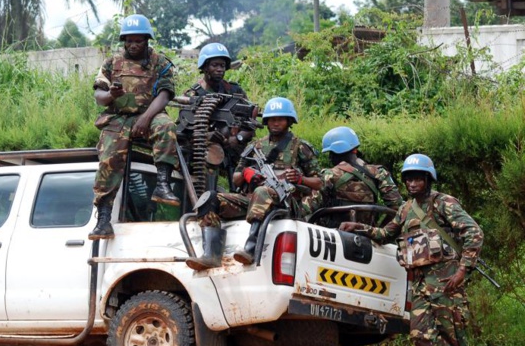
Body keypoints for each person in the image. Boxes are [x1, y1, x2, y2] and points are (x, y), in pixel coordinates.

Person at [340, 154, 490, 346]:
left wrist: (464, 269)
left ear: (428, 179)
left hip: (447, 282)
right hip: (420, 283)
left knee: (452, 335)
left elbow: (474, 232)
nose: (412, 184)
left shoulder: (444, 203)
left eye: (418, 179)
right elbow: (386, 233)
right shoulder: (406, 209)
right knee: (421, 336)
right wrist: (360, 228)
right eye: (408, 179)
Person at [186, 96, 321, 269]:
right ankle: (211, 254)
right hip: (252, 200)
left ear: (289, 121)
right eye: (272, 119)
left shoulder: (300, 147)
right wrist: (247, 174)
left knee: (262, 192)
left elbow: (319, 183)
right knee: (210, 198)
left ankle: (250, 249)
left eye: (280, 119)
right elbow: (236, 178)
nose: (275, 123)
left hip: (284, 202)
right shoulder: (255, 146)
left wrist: (301, 179)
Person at [88, 14, 180, 241]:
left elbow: (165, 93)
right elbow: (98, 95)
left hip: (150, 114)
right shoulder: (112, 63)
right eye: (129, 40)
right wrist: (111, 94)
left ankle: (162, 185)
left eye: (138, 41)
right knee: (109, 159)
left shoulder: (159, 62)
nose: (133, 45)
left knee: (167, 127)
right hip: (119, 117)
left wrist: (146, 118)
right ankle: (103, 219)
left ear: (147, 41)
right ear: (124, 40)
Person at [306, 126, 403, 227]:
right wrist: (380, 232)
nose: (330, 157)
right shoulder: (379, 172)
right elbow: (397, 206)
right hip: (368, 235)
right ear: (355, 149)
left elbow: (309, 206)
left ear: (336, 152)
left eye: (331, 153)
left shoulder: (329, 175)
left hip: (335, 235)